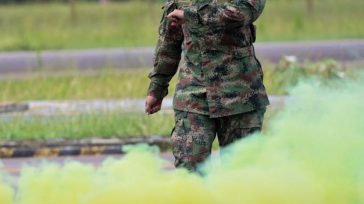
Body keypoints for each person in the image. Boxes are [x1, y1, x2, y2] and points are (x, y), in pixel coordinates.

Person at [145, 0, 269, 171]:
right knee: (189, 170)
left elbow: (242, 13)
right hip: (193, 96)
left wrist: (191, 16)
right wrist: (157, 88)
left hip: (241, 97)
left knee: (241, 173)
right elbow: (169, 43)